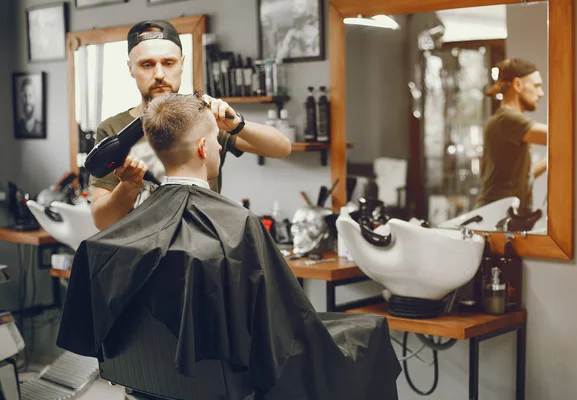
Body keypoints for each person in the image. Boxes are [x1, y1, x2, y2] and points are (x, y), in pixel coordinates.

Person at [56, 92, 401, 400]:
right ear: (204, 148)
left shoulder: (117, 241)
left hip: (149, 381)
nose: (221, 147)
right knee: (367, 331)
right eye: (216, 142)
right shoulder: (241, 226)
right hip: (234, 382)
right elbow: (285, 328)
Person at [89, 19, 292, 230]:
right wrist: (128, 186)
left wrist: (237, 124)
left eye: (168, 63)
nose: (159, 74)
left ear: (182, 63)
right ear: (131, 68)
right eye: (147, 64)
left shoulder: (201, 118)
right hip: (142, 254)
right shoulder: (114, 130)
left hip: (202, 250)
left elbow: (282, 148)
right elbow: (103, 222)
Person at [477, 58, 548, 213]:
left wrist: (549, 160)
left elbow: (522, 178)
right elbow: (558, 137)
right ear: (517, 85)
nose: (541, 93)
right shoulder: (507, 120)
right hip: (496, 218)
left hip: (502, 216)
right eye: (536, 86)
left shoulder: (506, 122)